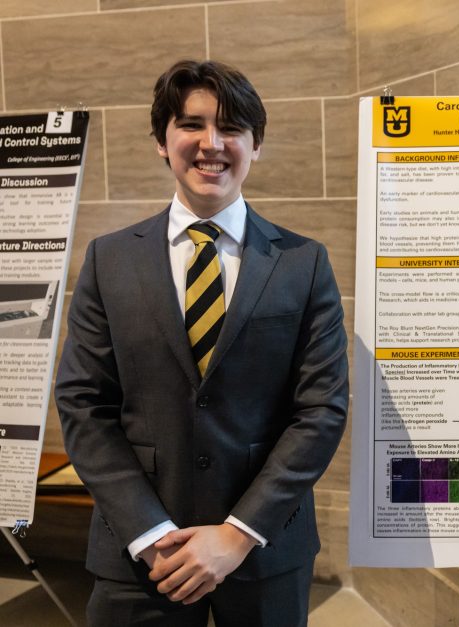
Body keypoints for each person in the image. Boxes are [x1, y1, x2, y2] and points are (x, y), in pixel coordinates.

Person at [55, 59, 348, 626]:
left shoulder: (303, 263)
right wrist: (152, 533)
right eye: (192, 125)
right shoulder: (109, 259)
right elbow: (84, 406)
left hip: (264, 551)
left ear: (255, 144)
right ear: (163, 141)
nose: (212, 143)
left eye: (232, 127)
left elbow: (321, 409)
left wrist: (237, 534)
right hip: (142, 557)